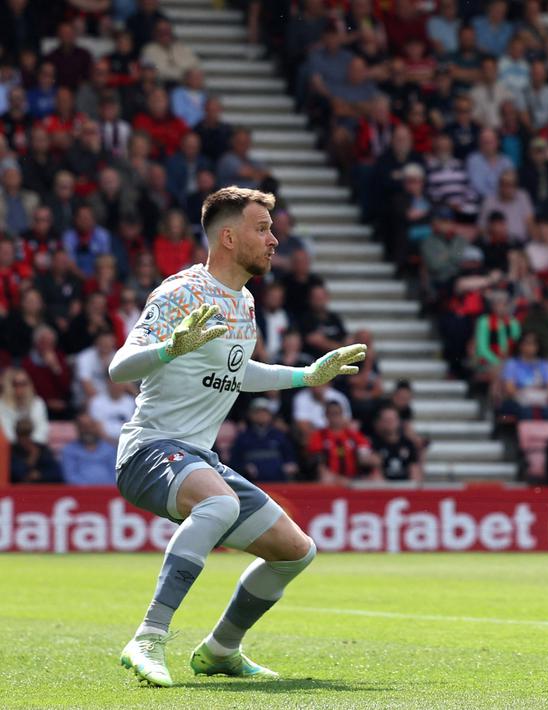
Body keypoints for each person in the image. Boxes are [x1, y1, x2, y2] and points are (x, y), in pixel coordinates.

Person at [107, 187, 367, 686]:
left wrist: (306, 377)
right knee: (220, 505)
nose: (274, 240)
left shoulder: (244, 301)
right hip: (149, 449)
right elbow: (120, 367)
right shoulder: (181, 292)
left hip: (197, 457)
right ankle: (149, 637)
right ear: (228, 236)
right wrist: (169, 348)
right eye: (262, 229)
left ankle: (221, 650)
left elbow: (237, 371)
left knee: (295, 552)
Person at [230, 398, 299, 483]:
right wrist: (244, 467)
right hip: (252, 484)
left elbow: (290, 459)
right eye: (257, 412)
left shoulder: (279, 435)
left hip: (278, 483)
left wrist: (289, 466)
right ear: (251, 415)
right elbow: (234, 462)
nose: (261, 415)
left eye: (265, 412)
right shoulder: (243, 437)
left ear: (270, 415)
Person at [59, 414, 119, 485]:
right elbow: (70, 476)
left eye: (91, 426)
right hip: (80, 492)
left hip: (109, 491)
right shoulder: (69, 450)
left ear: (96, 428)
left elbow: (116, 474)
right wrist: (89, 490)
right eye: (83, 427)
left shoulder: (110, 449)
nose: (87, 430)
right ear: (78, 429)